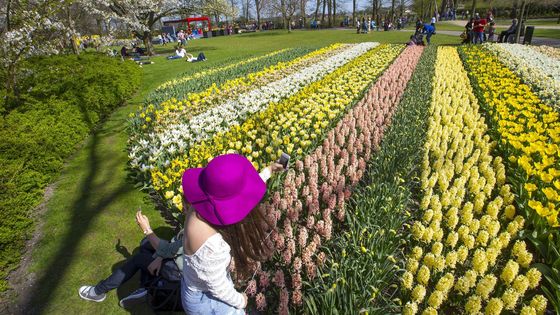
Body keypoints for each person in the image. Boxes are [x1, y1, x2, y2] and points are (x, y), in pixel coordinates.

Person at [180, 154, 284, 313]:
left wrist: (268, 171)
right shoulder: (211, 245)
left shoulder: (199, 208)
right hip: (208, 301)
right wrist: (240, 300)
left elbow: (237, 191)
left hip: (195, 287)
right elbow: (218, 288)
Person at [79, 211, 184, 308]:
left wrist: (147, 229)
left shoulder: (196, 228)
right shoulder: (196, 218)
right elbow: (177, 244)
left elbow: (173, 249)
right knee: (145, 243)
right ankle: (146, 286)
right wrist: (160, 256)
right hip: (179, 254)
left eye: (185, 205)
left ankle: (97, 292)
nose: (182, 207)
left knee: (138, 259)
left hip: (179, 273)